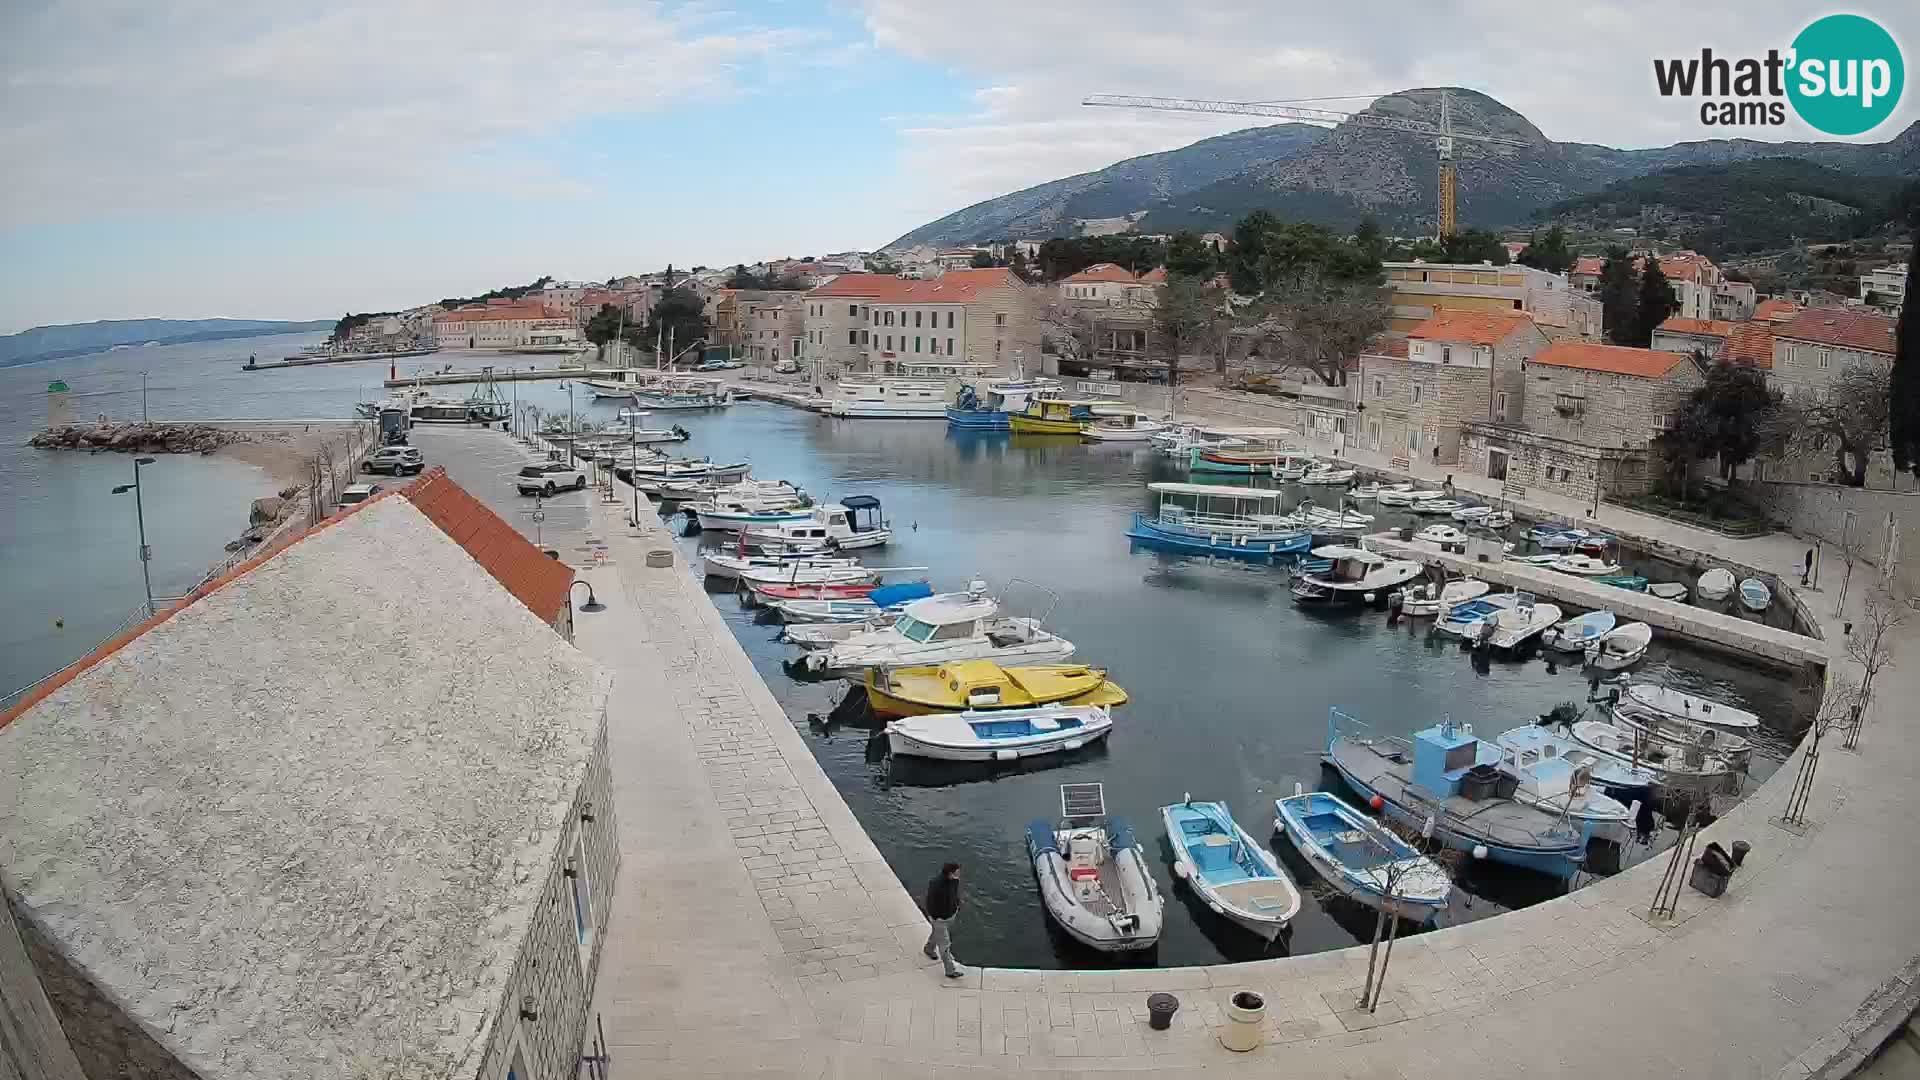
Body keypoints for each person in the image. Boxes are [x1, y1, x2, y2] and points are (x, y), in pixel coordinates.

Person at [922, 862, 964, 978]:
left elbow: (954, 894)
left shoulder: (955, 880)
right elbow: (930, 902)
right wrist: (935, 917)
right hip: (939, 919)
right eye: (957, 872)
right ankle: (950, 970)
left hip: (950, 915)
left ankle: (929, 948)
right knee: (945, 945)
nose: (959, 874)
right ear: (950, 873)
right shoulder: (936, 884)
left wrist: (957, 904)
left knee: (937, 933)